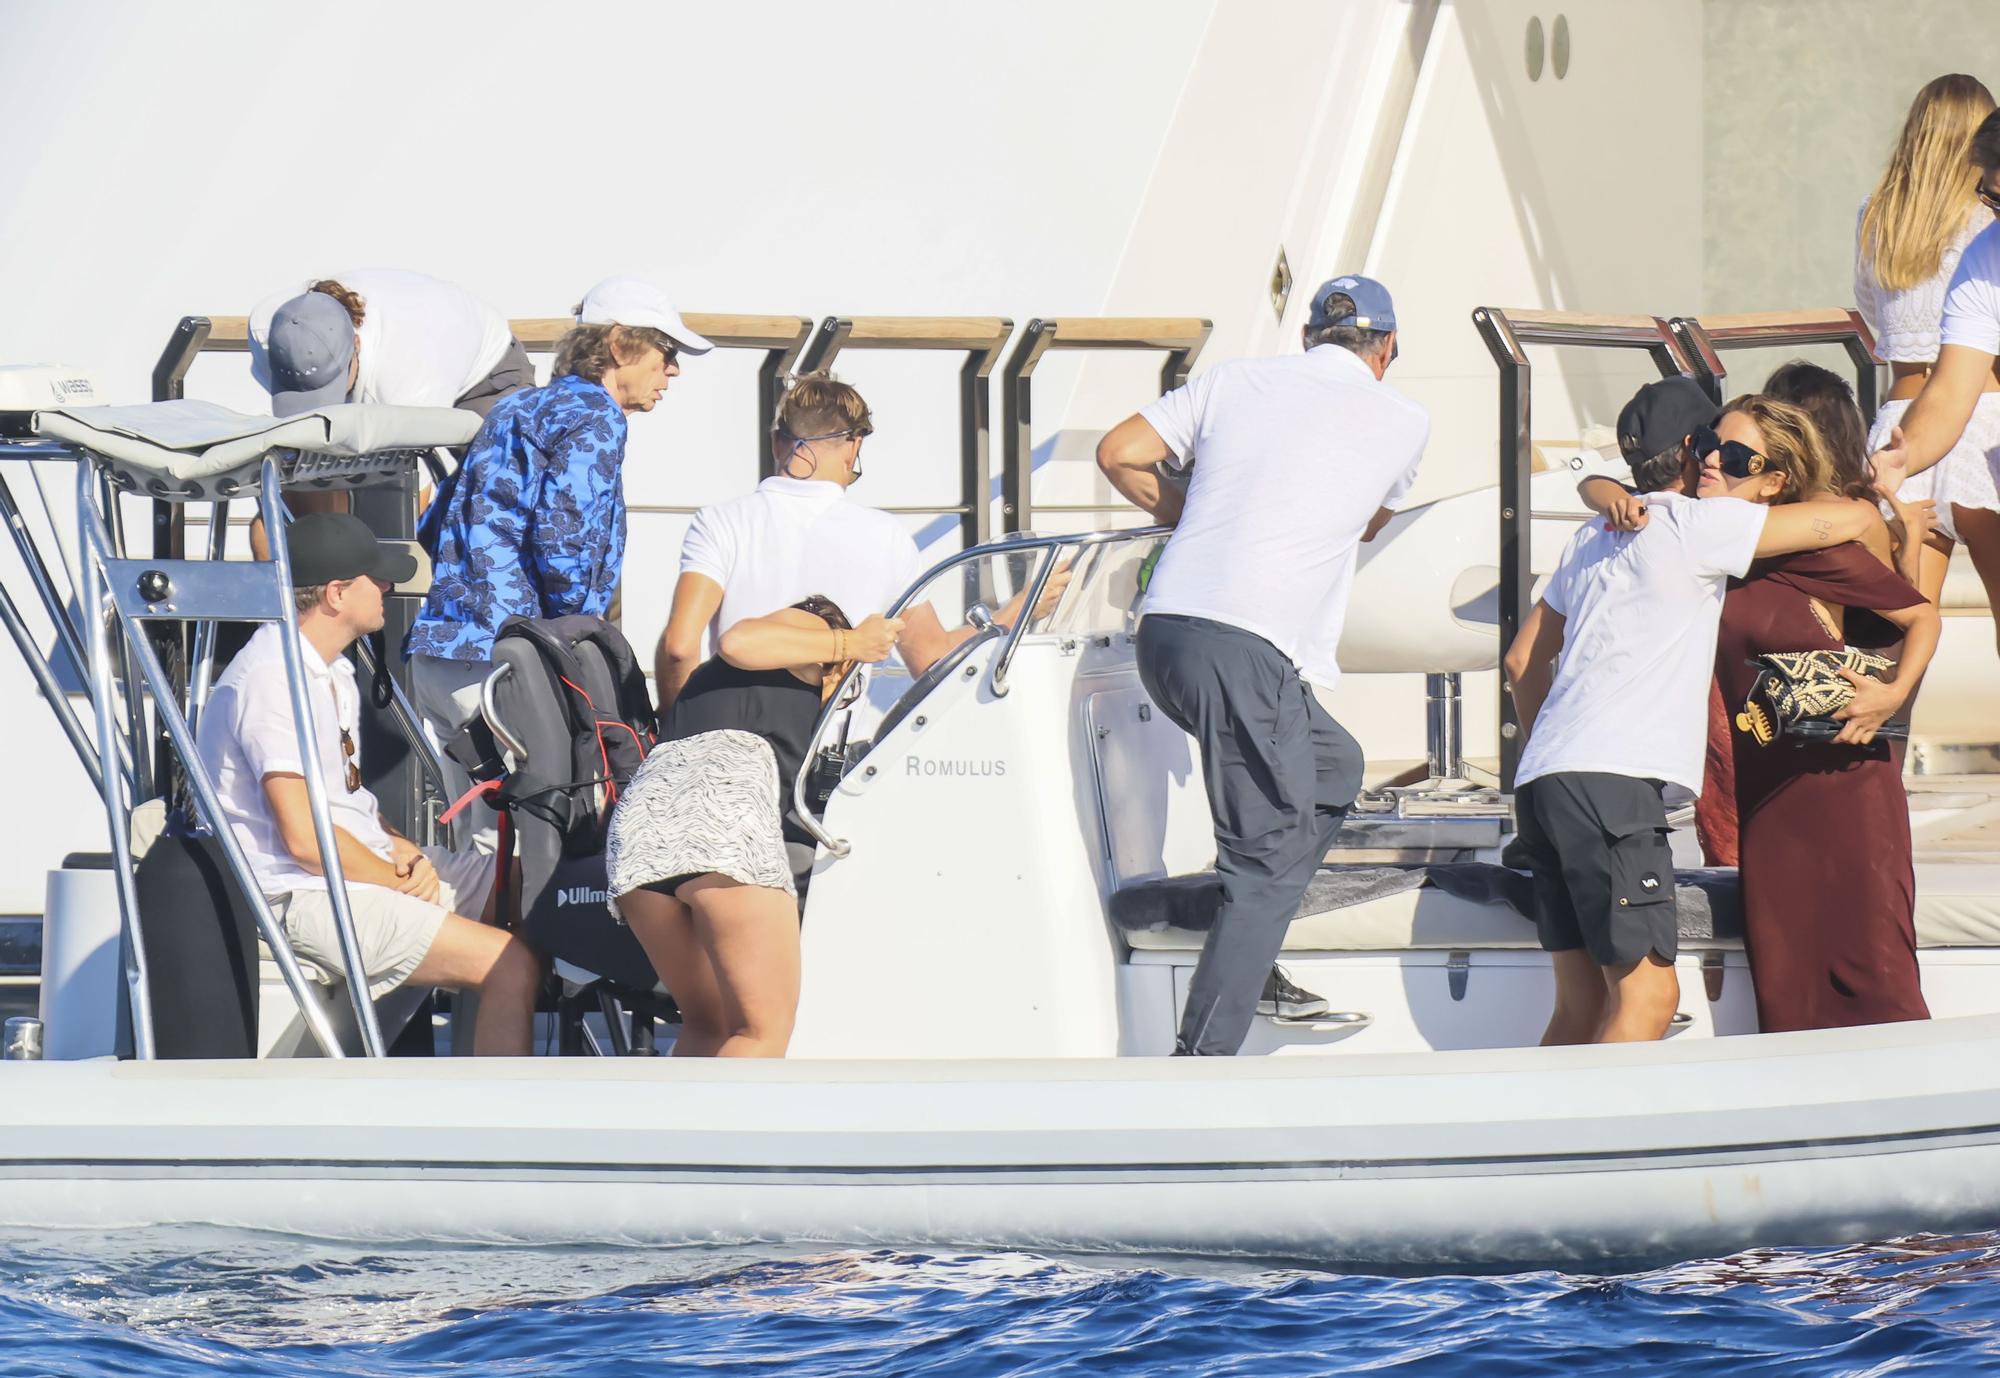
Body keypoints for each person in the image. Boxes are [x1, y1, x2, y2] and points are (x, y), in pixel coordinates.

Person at [1504, 379, 1896, 1046]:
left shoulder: (1593, 534)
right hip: (1613, 779)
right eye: (1716, 449)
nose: (1718, 462)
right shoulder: (1698, 525)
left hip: (1542, 782)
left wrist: (1595, 489)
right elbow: (1853, 521)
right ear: (1693, 451)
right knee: (1648, 999)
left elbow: (1519, 663)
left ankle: (1533, 1145)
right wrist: (1875, 489)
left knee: (1576, 1006)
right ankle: (1591, 1149)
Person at [1095, 275, 1425, 1056]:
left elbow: (1120, 453)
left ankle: (1242, 929)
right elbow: (1370, 518)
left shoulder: (1238, 377)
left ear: (1309, 336)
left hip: (1168, 635)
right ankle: (1200, 1063)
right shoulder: (1405, 419)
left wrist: (1186, 511)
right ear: (1388, 350)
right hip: (1245, 648)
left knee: (1335, 764)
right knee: (1269, 858)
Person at [194, 514, 540, 1054]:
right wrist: (393, 877)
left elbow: (348, 796)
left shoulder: (331, 668)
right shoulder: (273, 677)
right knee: (509, 963)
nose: (387, 588)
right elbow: (303, 839)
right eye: (373, 578)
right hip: (301, 895)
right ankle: (496, 1128)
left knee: (536, 888)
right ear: (335, 593)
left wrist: (399, 846)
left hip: (352, 872)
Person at [405, 283, 709, 849]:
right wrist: (580, 649)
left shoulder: (516, 405)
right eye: (666, 351)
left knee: (474, 848)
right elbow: (564, 538)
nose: (673, 370)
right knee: (527, 849)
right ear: (619, 345)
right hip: (510, 665)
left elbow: (434, 523)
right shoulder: (596, 414)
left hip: (441, 654)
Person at [1705, 396, 1940, 1032]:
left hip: (1846, 789)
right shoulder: (1703, 546)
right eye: (1706, 443)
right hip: (1767, 796)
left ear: (1774, 480)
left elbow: (1918, 617)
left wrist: (1890, 694)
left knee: (1873, 974)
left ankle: (1912, 1117)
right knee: (1788, 984)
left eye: (1733, 456)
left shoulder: (1810, 549)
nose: (1710, 460)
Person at [653, 373, 1066, 712]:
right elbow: (932, 660)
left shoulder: (721, 522)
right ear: (854, 447)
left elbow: (679, 647)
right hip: (821, 756)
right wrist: (1016, 610)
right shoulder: (885, 536)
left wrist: (676, 738)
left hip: (730, 744)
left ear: (778, 441)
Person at [607, 596, 902, 1056]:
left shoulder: (725, 691)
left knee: (710, 1025)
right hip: (720, 825)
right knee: (761, 1032)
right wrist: (851, 641)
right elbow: (739, 639)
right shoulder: (805, 642)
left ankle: (671, 1129)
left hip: (640, 835)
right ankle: (734, 1130)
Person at [1868, 100, 2000, 653]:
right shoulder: (1985, 248)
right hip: (1954, 421)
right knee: (1899, 633)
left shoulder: (1874, 214)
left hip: (1900, 402)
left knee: (1901, 634)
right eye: (1993, 198)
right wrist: (1903, 456)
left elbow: (1873, 311)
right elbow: (1952, 386)